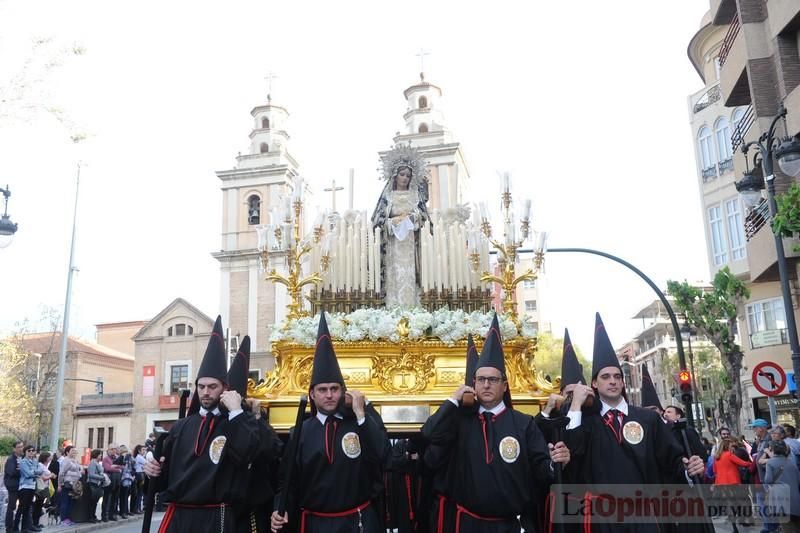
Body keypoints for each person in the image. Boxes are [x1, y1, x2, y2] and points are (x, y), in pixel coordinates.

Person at [422, 313, 570, 532]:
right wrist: (453, 399)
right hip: (467, 525)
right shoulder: (459, 422)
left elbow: (541, 469)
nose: (487, 385)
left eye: (493, 379)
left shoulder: (524, 423)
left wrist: (557, 462)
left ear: (504, 385)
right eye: (481, 379)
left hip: (511, 524)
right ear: (474, 384)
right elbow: (428, 434)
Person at [566, 313, 706, 532]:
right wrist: (575, 405)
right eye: (605, 377)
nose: (612, 381)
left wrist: (689, 470)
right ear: (594, 383)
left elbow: (672, 460)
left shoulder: (648, 419)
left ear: (623, 382)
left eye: (617, 376)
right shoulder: (587, 424)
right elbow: (572, 454)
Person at [271, 312, 389, 533]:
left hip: (358, 522)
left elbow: (382, 455)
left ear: (343, 392)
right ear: (312, 394)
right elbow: (287, 482)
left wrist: (362, 413)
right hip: (316, 524)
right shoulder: (301, 431)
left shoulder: (359, 424)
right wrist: (280, 507)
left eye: (334, 389)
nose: (329, 395)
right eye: (322, 390)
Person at [144, 316, 260, 532]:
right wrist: (152, 471)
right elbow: (163, 479)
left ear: (224, 388)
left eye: (213, 386)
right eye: (202, 386)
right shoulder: (180, 427)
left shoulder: (235, 423)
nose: (206, 392)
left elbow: (246, 453)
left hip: (216, 517)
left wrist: (236, 411)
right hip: (178, 517)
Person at [371, 143, 430, 308]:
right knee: (395, 275)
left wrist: (414, 218)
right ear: (395, 175)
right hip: (392, 244)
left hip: (412, 243)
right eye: (402, 174)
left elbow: (425, 217)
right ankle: (393, 308)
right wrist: (392, 222)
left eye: (408, 175)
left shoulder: (415, 195)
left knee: (411, 276)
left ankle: (413, 307)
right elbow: (377, 220)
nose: (405, 178)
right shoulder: (388, 196)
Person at [763, 440, 800, 532]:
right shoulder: (792, 462)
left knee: (787, 527)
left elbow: (768, 480)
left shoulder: (770, 463)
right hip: (795, 499)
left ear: (772, 450)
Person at [18, 445, 51, 533]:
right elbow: (28, 474)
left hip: (33, 486)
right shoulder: (23, 462)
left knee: (28, 507)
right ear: (25, 452)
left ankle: (27, 527)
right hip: (25, 487)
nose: (31, 452)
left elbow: (40, 470)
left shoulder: (35, 461)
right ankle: (22, 528)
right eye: (29, 450)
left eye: (33, 450)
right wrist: (35, 472)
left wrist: (34, 472)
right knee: (24, 508)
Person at [57, 446, 82, 526]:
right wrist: (59, 484)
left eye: (75, 451)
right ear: (67, 452)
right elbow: (61, 473)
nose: (74, 452)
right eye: (72, 451)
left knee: (71, 502)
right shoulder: (66, 461)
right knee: (65, 502)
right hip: (67, 484)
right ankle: (63, 519)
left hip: (74, 485)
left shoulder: (75, 461)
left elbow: (79, 471)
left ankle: (69, 518)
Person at [4, 440, 24, 533]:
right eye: (19, 447)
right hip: (13, 486)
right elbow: (11, 472)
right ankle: (9, 528)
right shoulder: (11, 459)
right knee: (11, 507)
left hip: (21, 485)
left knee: (22, 506)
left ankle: (16, 526)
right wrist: (21, 471)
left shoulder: (20, 458)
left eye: (22, 446)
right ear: (14, 449)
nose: (21, 449)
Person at [102, 443, 122, 521]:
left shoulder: (116, 458)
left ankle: (112, 514)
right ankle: (105, 515)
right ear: (109, 450)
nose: (114, 450)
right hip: (109, 481)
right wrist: (117, 468)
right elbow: (107, 468)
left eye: (115, 449)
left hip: (117, 480)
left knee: (115, 498)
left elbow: (122, 466)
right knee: (107, 498)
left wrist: (115, 467)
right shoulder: (106, 459)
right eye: (112, 449)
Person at [86, 449, 105, 523]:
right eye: (100, 454)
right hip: (92, 484)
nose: (101, 456)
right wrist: (101, 477)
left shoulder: (97, 463)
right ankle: (90, 517)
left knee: (95, 502)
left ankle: (93, 516)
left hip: (97, 484)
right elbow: (91, 474)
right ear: (96, 455)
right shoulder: (93, 463)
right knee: (92, 502)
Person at [131, 444, 146, 514]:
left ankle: (138, 508)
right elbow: (147, 463)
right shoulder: (139, 457)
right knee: (139, 493)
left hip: (140, 474)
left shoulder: (138, 457)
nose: (144, 451)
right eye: (143, 450)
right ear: (139, 451)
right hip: (139, 475)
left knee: (140, 493)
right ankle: (137, 508)